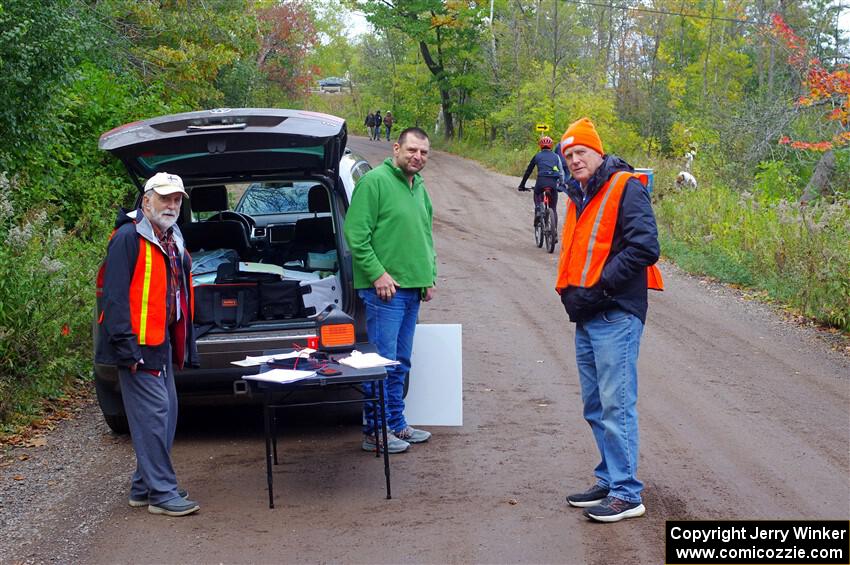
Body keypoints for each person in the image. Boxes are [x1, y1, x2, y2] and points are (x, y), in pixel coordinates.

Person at [555, 117, 663, 523]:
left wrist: (599, 289)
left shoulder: (625, 187)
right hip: (588, 314)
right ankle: (610, 476)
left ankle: (626, 493)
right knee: (596, 405)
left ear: (598, 152)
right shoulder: (579, 194)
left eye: (580, 152)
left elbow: (645, 248)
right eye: (569, 155)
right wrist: (576, 296)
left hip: (616, 313)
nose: (574, 160)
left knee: (616, 406)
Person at [95, 172, 200, 517]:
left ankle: (143, 487)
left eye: (177, 200)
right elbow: (113, 298)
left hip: (161, 341)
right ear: (146, 201)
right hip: (136, 346)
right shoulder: (128, 237)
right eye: (165, 198)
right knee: (154, 418)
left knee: (166, 415)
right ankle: (162, 494)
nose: (171, 205)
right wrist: (127, 349)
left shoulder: (170, 236)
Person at [343, 127, 437, 454]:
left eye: (423, 153)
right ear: (396, 148)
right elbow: (355, 235)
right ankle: (375, 430)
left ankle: (396, 423)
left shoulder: (419, 186)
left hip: (412, 289)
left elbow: (424, 235)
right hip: (385, 291)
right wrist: (378, 274)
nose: (417, 157)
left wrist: (429, 276)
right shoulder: (374, 182)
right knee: (381, 362)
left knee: (401, 362)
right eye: (412, 150)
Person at [518, 135, 565, 239]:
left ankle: (539, 209)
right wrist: (561, 184)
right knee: (553, 208)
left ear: (540, 146)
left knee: (537, 193)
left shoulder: (537, 156)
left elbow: (528, 171)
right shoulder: (556, 156)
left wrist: (522, 185)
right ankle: (555, 233)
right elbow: (561, 172)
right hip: (552, 184)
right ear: (551, 146)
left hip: (541, 182)